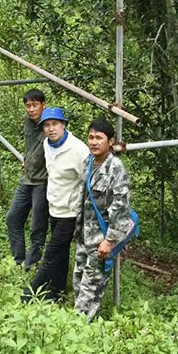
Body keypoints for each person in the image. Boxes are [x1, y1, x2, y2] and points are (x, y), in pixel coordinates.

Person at [23, 106, 89, 302]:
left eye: (55, 124)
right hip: (55, 207)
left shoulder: (79, 150)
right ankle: (57, 292)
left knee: (51, 254)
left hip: (70, 212)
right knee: (60, 254)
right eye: (47, 125)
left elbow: (87, 184)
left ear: (64, 125)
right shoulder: (47, 145)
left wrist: (80, 212)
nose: (51, 129)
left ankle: (28, 295)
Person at [73, 116, 132, 320]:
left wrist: (110, 240)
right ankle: (82, 328)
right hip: (84, 237)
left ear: (110, 141)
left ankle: (77, 332)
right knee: (79, 283)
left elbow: (121, 206)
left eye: (99, 138)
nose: (93, 142)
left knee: (89, 293)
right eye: (90, 137)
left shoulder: (115, 168)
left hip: (101, 241)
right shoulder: (88, 162)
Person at [5, 89, 49, 269]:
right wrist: (27, 160)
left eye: (34, 105)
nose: (31, 109)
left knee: (37, 227)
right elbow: (30, 146)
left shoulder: (50, 125)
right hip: (27, 179)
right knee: (13, 218)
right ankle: (19, 261)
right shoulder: (28, 122)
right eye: (28, 106)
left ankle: (31, 266)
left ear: (43, 105)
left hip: (42, 183)